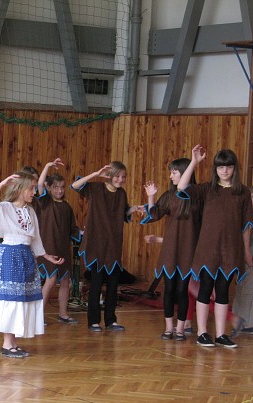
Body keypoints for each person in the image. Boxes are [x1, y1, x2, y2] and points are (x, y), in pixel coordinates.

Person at [0, 172, 64, 357]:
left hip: (26, 255)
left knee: (22, 298)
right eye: (31, 188)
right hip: (10, 254)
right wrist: (1, 184)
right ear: (20, 189)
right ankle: (7, 344)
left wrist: (46, 256)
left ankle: (12, 342)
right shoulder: (5, 207)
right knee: (10, 299)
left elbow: (35, 237)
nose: (34, 192)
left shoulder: (30, 211)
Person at [177, 146, 253, 348]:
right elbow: (182, 187)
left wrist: (246, 251)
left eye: (228, 167)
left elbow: (246, 226)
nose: (224, 171)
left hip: (230, 250)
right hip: (208, 249)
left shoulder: (243, 192)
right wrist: (194, 162)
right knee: (205, 290)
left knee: (222, 292)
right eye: (220, 167)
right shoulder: (207, 189)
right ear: (216, 169)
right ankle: (203, 333)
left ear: (234, 168)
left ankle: (220, 334)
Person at [71, 161, 142, 332]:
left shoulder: (122, 193)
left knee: (113, 285)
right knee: (96, 284)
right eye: (117, 176)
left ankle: (111, 320)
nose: (120, 180)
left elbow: (123, 213)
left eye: (123, 177)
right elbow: (75, 185)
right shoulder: (96, 189)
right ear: (110, 176)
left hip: (113, 246)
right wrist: (96, 173)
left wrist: (134, 209)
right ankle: (93, 321)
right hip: (96, 244)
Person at [141, 158, 201, 341]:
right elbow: (154, 214)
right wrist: (151, 196)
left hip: (188, 250)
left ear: (184, 172)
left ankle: (181, 329)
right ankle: (168, 328)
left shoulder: (198, 196)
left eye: (174, 172)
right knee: (169, 289)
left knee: (182, 290)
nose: (170, 176)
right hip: (170, 250)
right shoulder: (168, 196)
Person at [36, 161, 80, 324]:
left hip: (62, 247)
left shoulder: (67, 207)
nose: (60, 190)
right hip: (48, 246)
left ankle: (63, 313)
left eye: (62, 187)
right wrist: (47, 166)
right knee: (51, 279)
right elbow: (40, 184)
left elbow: (72, 228)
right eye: (56, 187)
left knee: (65, 281)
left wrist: (80, 233)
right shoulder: (45, 202)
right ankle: (38, 315)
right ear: (49, 188)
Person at [232, 188, 253, 335]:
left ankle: (239, 319)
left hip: (244, 251)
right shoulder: (246, 212)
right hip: (247, 252)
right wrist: (247, 254)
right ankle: (245, 322)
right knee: (247, 287)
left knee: (245, 286)